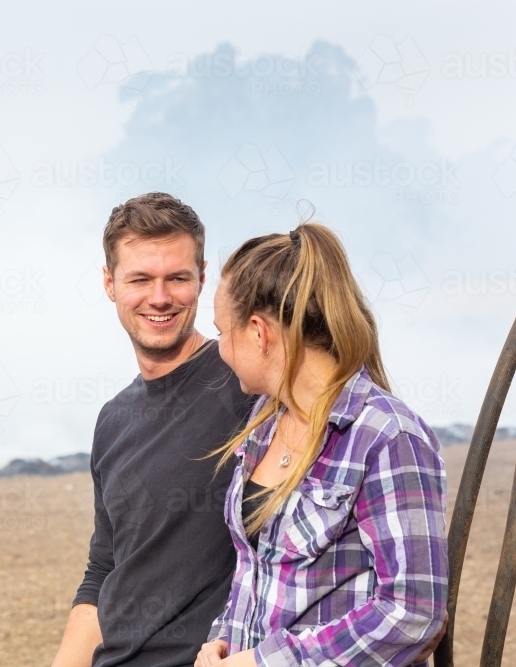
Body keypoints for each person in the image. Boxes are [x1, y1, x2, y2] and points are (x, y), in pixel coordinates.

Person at [51, 194, 446, 667]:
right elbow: (110, 568)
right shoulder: (134, 421)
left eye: (176, 277)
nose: (159, 296)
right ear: (109, 282)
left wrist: (261, 662)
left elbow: (413, 609)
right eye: (140, 278)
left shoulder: (269, 400)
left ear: (202, 277)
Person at [195, 223, 449, 667]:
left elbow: (413, 613)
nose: (220, 348)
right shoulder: (263, 422)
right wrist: (221, 641)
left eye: (221, 332)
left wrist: (264, 664)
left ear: (259, 332)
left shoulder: (387, 436)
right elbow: (255, 572)